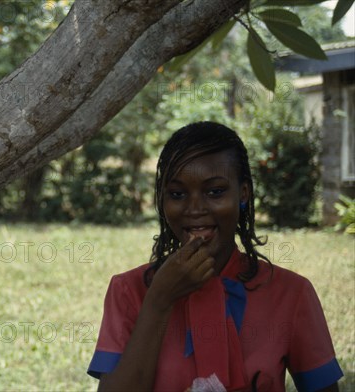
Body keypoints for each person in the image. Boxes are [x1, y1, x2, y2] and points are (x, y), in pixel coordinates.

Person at [87, 122, 343, 391]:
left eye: (215, 191)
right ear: (163, 201)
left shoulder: (291, 294)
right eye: (177, 194)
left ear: (243, 193)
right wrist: (158, 300)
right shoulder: (128, 291)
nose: (195, 208)